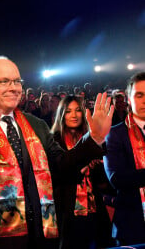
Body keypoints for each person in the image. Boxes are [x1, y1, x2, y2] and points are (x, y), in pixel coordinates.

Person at [0, 56, 114, 249]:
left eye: (17, 81)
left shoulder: (37, 125)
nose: (14, 87)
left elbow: (62, 167)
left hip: (40, 237)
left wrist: (94, 139)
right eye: (4, 81)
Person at [51, 95, 114, 249]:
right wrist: (82, 168)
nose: (74, 115)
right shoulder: (54, 140)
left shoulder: (95, 137)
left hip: (94, 206)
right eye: (68, 111)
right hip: (67, 208)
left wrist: (95, 165)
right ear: (61, 114)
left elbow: (103, 177)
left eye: (78, 110)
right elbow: (59, 174)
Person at [104, 71, 145, 246]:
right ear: (129, 99)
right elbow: (117, 179)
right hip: (133, 223)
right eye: (139, 95)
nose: (144, 100)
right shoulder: (115, 134)